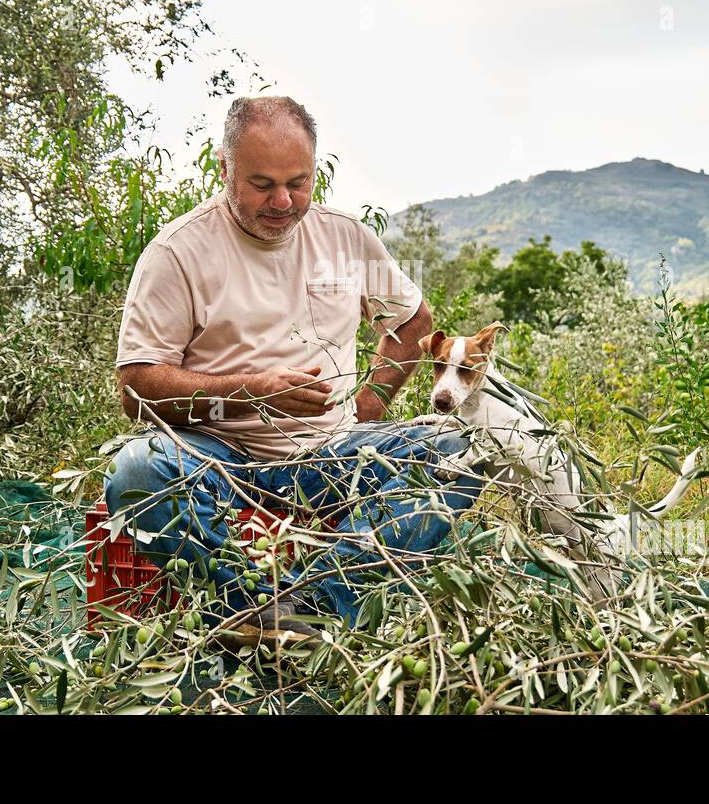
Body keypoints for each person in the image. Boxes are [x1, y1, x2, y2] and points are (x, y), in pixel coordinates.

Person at [103, 95, 483, 640]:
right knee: (138, 472)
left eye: (298, 182)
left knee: (460, 452)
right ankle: (247, 607)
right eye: (261, 184)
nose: (283, 200)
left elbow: (413, 322)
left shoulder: (345, 237)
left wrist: (367, 407)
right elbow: (136, 391)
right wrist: (250, 392)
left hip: (332, 452)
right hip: (219, 460)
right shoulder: (178, 253)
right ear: (225, 169)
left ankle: (317, 609)